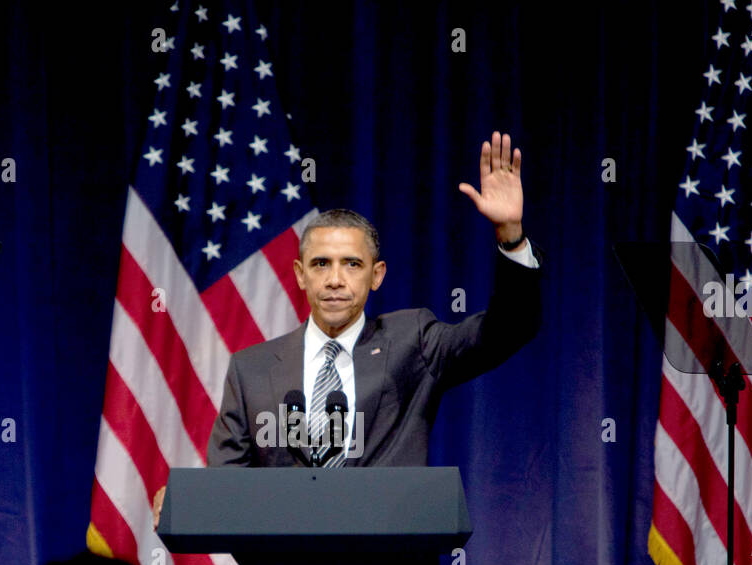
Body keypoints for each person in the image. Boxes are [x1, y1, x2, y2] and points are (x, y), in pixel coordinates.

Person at [152, 131, 542, 522]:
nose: (335, 279)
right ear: (301, 275)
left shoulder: (415, 341)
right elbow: (227, 486)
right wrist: (187, 502)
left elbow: (510, 328)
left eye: (351, 264)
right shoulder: (249, 370)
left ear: (377, 275)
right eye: (321, 264)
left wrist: (510, 236)